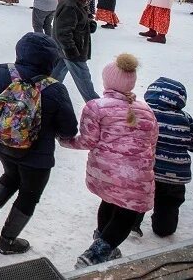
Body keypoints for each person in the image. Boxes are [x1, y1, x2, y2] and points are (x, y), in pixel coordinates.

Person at [0, 33, 78, 255]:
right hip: (36, 156)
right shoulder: (54, 89)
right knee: (29, 194)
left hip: (2, 143)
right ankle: (7, 241)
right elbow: (69, 129)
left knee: (12, 175)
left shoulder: (3, 72)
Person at [60, 54, 158, 267]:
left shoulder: (96, 107)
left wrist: (65, 141)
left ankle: (99, 249)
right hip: (136, 177)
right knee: (126, 213)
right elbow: (152, 143)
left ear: (107, 82)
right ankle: (98, 252)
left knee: (110, 201)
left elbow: (87, 141)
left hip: (105, 173)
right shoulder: (147, 111)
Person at [132, 78, 193, 238]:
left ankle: (132, 223)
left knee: (140, 196)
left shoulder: (145, 114)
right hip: (175, 175)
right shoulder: (186, 118)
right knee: (169, 204)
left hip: (148, 170)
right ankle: (164, 228)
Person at [52, 0, 99, 103]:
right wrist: (71, 51)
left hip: (69, 50)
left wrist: (89, 24)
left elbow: (78, 22)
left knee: (55, 77)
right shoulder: (70, 5)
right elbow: (63, 32)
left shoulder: (77, 3)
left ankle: (45, 95)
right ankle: (96, 105)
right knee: (84, 80)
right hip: (73, 51)